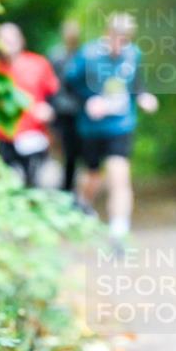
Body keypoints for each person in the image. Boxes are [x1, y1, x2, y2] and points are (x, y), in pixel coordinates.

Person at [68, 12, 158, 241]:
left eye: (126, 40)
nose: (121, 46)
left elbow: (136, 83)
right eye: (117, 39)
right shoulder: (88, 54)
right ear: (107, 34)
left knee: (119, 174)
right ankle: (83, 205)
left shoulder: (133, 54)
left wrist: (143, 96)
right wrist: (88, 100)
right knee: (93, 176)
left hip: (121, 125)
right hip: (92, 128)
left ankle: (119, 229)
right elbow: (69, 84)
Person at [0, 23, 59, 188]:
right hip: (1, 137)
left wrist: (49, 110)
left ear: (21, 40)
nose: (8, 43)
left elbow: (55, 95)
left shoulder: (38, 64)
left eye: (12, 39)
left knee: (35, 182)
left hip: (33, 135)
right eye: (3, 39)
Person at [48, 19, 83, 192]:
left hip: (79, 111)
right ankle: (63, 186)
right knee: (61, 149)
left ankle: (70, 186)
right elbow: (50, 83)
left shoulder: (83, 55)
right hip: (60, 110)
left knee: (75, 152)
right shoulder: (56, 56)